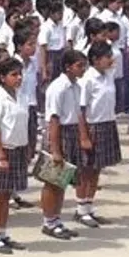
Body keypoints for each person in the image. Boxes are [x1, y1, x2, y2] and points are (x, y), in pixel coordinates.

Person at [0, 58, 30, 253]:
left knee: (7, 193)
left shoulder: (22, 96)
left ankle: (3, 233)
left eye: (20, 74)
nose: (18, 78)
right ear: (2, 78)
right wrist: (1, 156)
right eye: (13, 74)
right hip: (3, 150)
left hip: (18, 149)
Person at [40, 49, 87, 240]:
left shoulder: (76, 87)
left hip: (71, 132)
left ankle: (56, 219)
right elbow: (53, 119)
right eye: (79, 66)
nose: (83, 69)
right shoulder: (57, 88)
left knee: (63, 181)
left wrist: (82, 136)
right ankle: (48, 222)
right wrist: (55, 150)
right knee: (53, 182)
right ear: (68, 67)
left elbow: (78, 114)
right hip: (59, 133)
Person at [76, 42, 121, 226]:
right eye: (106, 57)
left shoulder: (108, 75)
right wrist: (84, 136)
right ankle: (81, 209)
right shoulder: (87, 79)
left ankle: (89, 205)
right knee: (86, 170)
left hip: (107, 124)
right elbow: (80, 110)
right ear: (95, 60)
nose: (111, 60)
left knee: (97, 169)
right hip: (92, 126)